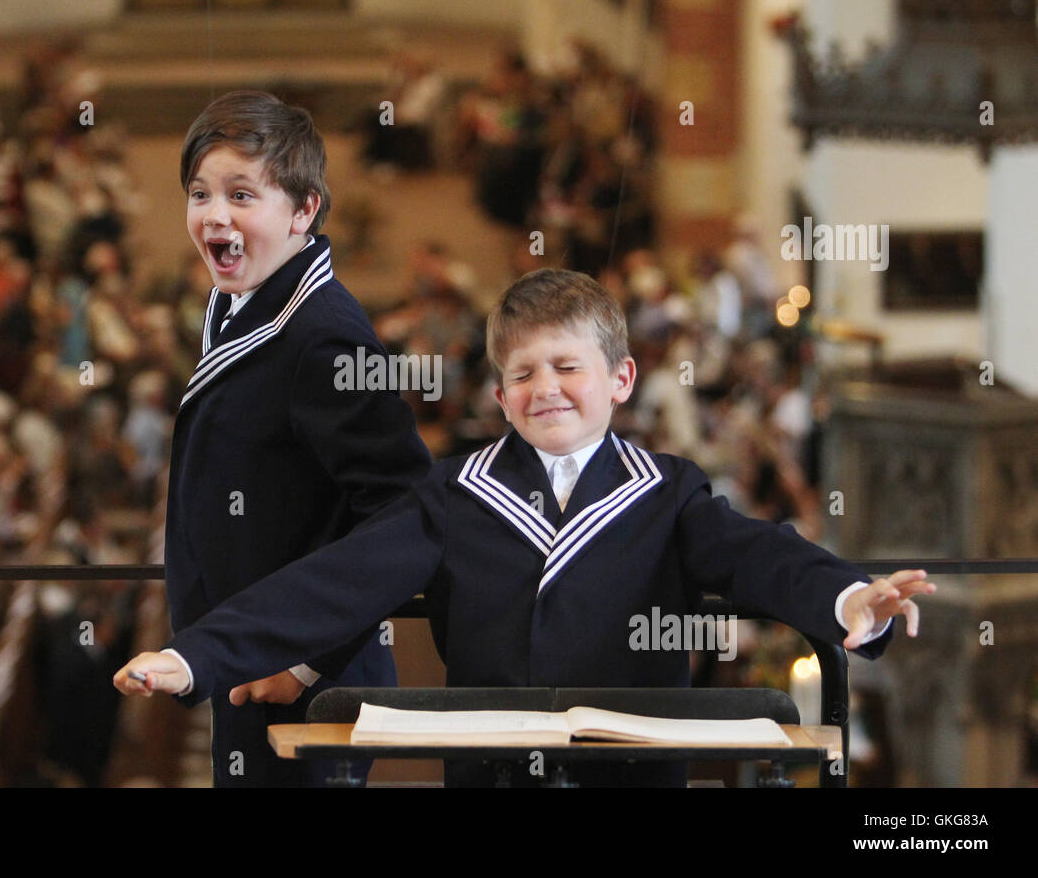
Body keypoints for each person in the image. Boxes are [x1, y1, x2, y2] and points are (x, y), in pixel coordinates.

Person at [116, 269, 933, 786]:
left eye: (568, 366)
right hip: (495, 773)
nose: (547, 387)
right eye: (523, 372)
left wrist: (848, 597)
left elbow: (758, 555)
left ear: (620, 379)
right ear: (500, 397)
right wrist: (196, 655)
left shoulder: (668, 492)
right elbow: (333, 582)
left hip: (632, 778)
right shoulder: (453, 495)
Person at [123, 91, 432, 787]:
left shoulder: (323, 336)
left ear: (304, 211)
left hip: (302, 679)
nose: (215, 215)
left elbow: (407, 511)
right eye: (200, 193)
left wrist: (304, 660)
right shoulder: (242, 298)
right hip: (245, 651)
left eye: (241, 194)